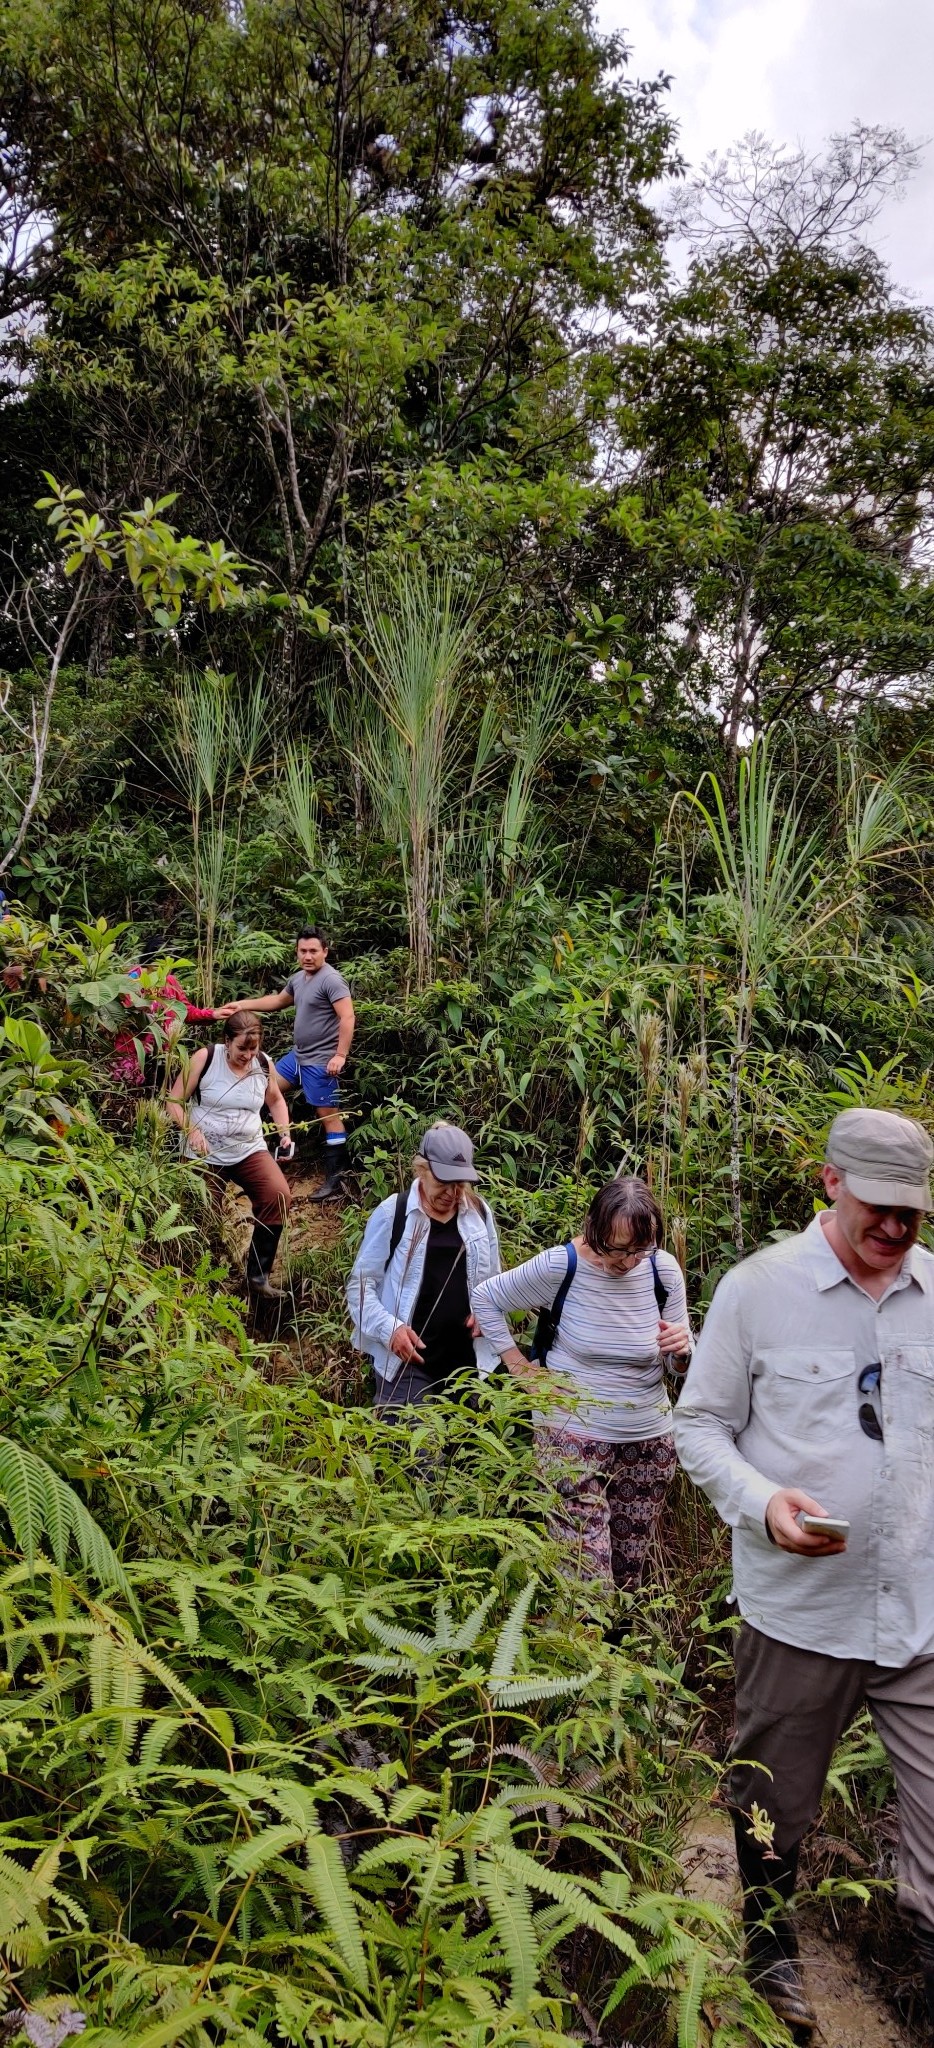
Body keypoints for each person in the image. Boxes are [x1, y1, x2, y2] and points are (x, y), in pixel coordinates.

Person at [673, 1106, 934, 2036]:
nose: (897, 1230)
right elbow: (698, 1425)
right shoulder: (760, 1290)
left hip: (919, 1618)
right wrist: (763, 1504)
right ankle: (771, 1947)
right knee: (768, 1805)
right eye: (879, 1209)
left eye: (913, 1213)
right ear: (830, 1183)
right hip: (798, 1617)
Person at [473, 1178, 693, 1600]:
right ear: (594, 1229)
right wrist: (518, 1366)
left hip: (648, 1440)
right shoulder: (563, 1266)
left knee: (629, 1579)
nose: (627, 1262)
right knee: (585, 1581)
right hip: (571, 1437)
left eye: (637, 1250)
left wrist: (682, 1352)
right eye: (617, 1249)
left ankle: (613, 1659)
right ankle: (574, 1650)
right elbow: (486, 1297)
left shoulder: (662, 1270)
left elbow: (677, 1361)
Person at [346, 1122, 501, 1408]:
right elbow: (361, 1286)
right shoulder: (394, 1213)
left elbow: (494, 1281)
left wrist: (487, 1310)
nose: (453, 1193)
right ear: (422, 1169)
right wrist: (390, 1330)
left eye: (460, 1184)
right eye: (443, 1182)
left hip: (468, 1363)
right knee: (415, 1450)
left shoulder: (479, 1213)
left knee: (467, 1449)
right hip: (407, 1364)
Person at [218, 928, 354, 1202]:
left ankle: (335, 1181)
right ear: (297, 952)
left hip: (320, 1061)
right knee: (261, 1089)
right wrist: (242, 1005)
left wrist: (340, 1055)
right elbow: (279, 1001)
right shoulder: (299, 979)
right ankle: (265, 1156)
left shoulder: (332, 980)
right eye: (303, 951)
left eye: (313, 951)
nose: (307, 956)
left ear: (325, 952)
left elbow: (348, 1017)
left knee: (329, 1117)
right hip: (297, 1057)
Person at [166, 1012, 294, 1300]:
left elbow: (274, 1099)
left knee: (278, 1196)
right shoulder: (205, 1058)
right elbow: (173, 1101)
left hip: (248, 1149)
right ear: (227, 1042)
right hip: (204, 1153)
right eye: (241, 1049)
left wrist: (285, 1133)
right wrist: (190, 1129)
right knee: (201, 1214)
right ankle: (202, 1279)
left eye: (253, 1049)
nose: (248, 1055)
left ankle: (257, 1278)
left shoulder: (263, 1064)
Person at [112, 964, 216, 1088]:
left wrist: (213, 1014)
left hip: (162, 1055)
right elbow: (121, 1017)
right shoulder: (131, 979)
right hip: (131, 1055)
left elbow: (185, 1012)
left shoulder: (169, 981)